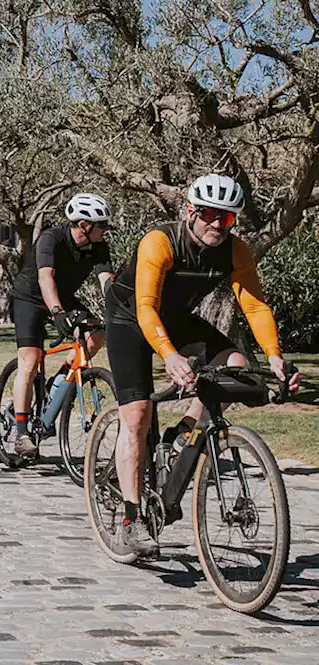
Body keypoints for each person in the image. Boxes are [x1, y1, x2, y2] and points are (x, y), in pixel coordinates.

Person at [105, 174, 301, 557]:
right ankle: (131, 520)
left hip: (176, 316)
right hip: (130, 318)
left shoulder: (235, 251)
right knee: (138, 414)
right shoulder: (160, 241)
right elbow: (145, 307)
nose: (217, 225)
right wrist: (169, 355)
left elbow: (255, 305)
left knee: (238, 366)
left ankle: (182, 434)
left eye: (226, 219)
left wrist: (275, 356)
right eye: (210, 215)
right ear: (191, 212)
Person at [8, 193, 115, 462]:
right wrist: (56, 313)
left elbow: (106, 281)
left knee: (95, 335)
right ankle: (22, 434)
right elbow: (46, 278)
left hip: (65, 297)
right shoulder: (50, 239)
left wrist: (118, 307)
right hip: (29, 298)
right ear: (83, 225)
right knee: (30, 361)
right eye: (101, 224)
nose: (106, 229)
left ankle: (57, 383)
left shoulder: (99, 246)